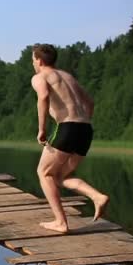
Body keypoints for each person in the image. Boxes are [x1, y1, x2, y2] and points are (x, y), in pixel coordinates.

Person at [31, 43, 109, 233]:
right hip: (85, 129)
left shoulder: (40, 77)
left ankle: (60, 222)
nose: (33, 63)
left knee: (44, 173)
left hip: (67, 127)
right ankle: (97, 196)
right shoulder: (68, 76)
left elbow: (43, 98)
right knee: (59, 176)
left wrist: (42, 129)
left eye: (33, 59)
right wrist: (82, 122)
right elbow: (89, 102)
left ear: (39, 60)